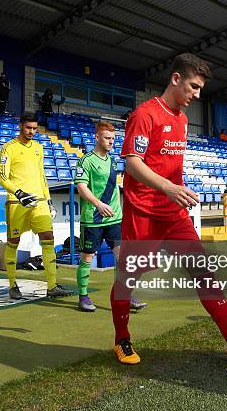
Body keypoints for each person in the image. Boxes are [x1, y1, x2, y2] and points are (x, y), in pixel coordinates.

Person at [110, 53, 227, 365]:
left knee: (203, 272)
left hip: (173, 214)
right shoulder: (145, 115)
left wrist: (178, 189)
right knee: (128, 278)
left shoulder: (183, 120)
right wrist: (169, 187)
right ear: (176, 79)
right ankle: (122, 340)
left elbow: (168, 164)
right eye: (193, 86)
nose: (197, 94)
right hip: (143, 212)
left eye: (200, 89)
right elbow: (132, 164)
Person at [0, 113, 72, 300]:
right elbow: (2, 177)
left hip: (39, 201)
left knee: (48, 238)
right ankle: (13, 285)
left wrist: (47, 200)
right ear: (20, 126)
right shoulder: (8, 148)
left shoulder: (38, 148)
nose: (31, 132)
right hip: (17, 202)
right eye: (28, 128)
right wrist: (19, 193)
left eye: (34, 128)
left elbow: (42, 176)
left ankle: (52, 286)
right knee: (13, 243)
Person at [74, 122, 146, 312]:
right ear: (97, 137)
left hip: (114, 218)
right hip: (93, 219)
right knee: (87, 257)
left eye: (113, 138)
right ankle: (83, 296)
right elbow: (81, 188)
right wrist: (99, 204)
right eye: (107, 138)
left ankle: (126, 296)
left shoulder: (113, 161)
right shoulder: (85, 161)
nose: (111, 141)